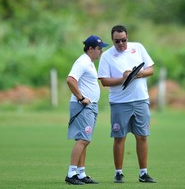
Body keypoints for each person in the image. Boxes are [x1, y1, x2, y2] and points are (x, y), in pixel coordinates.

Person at [98, 25, 156, 183]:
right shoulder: (107, 56)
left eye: (123, 40)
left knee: (142, 136)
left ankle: (143, 173)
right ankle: (118, 173)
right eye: (117, 41)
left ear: (127, 37)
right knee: (119, 137)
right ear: (112, 40)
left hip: (140, 99)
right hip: (119, 102)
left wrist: (139, 74)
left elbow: (150, 69)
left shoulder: (138, 48)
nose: (121, 44)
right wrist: (123, 78)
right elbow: (104, 81)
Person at [65, 35, 108, 185]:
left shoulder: (88, 62)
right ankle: (71, 174)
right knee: (83, 139)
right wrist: (81, 98)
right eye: (99, 48)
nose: (101, 51)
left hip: (90, 106)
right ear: (90, 49)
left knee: (85, 140)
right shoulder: (82, 62)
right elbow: (70, 80)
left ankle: (81, 174)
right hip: (83, 106)